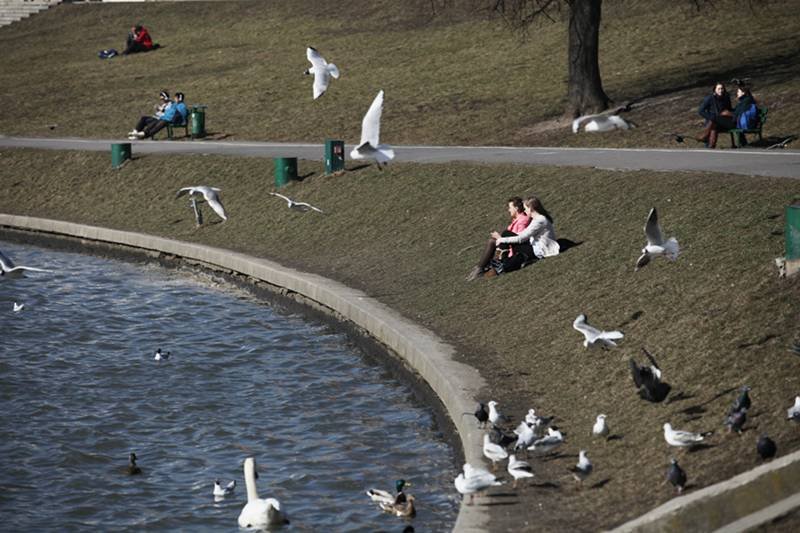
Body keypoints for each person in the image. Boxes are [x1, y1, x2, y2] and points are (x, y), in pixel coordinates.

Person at [488, 196, 559, 276]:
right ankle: (502, 261)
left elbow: (520, 239)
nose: (524, 211)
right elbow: (522, 234)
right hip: (535, 247)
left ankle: (502, 263)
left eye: (525, 208)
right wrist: (504, 238)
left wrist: (501, 239)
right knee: (507, 234)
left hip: (539, 251)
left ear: (530, 209)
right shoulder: (537, 219)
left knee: (507, 236)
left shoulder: (539, 221)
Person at [466, 197, 531, 281]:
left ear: (516, 208)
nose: (508, 210)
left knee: (491, 242)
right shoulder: (516, 220)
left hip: (514, 250)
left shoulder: (523, 221)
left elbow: (518, 239)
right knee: (492, 241)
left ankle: (480, 270)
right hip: (509, 246)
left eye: (510, 207)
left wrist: (499, 238)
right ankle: (480, 269)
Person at [696, 82, 733, 148]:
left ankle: (705, 137)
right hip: (712, 122)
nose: (720, 90)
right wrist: (710, 117)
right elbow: (700, 111)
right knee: (713, 127)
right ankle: (710, 146)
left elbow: (729, 108)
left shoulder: (726, 97)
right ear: (715, 90)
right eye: (718, 89)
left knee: (714, 124)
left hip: (723, 121)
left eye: (722, 88)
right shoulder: (710, 98)